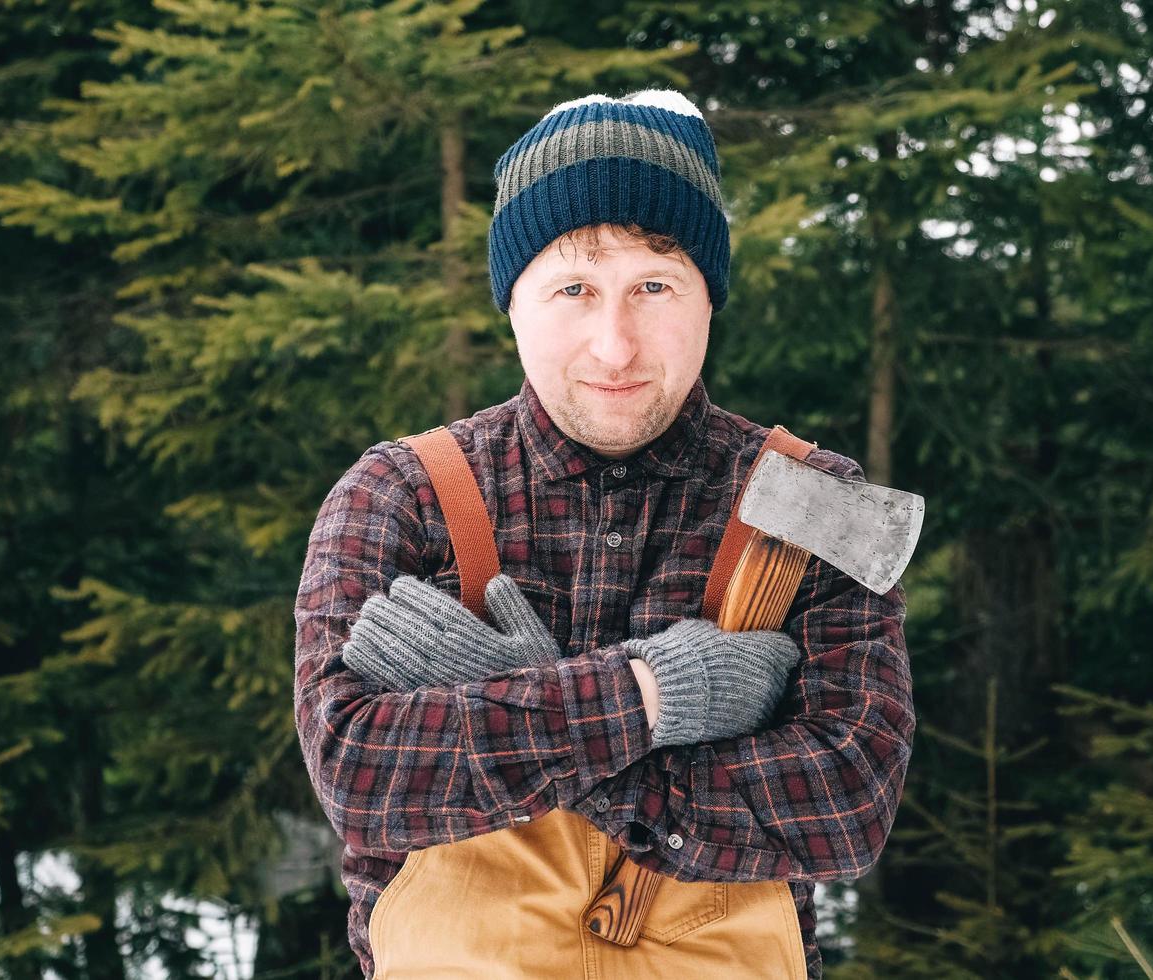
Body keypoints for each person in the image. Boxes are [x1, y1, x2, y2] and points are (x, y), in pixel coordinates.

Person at [293, 88, 914, 979]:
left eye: (654, 287)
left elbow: (846, 805)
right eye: (573, 289)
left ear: (709, 298)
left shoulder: (816, 497)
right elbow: (361, 777)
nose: (614, 345)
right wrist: (657, 695)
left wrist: (504, 704)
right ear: (513, 301)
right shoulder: (400, 495)